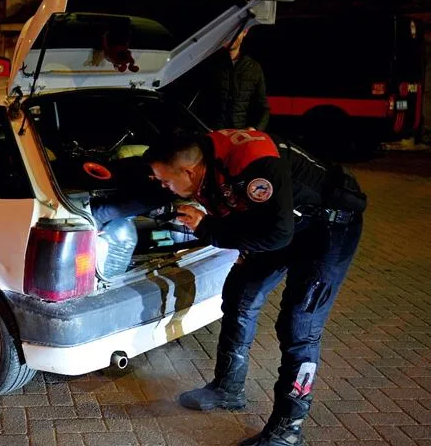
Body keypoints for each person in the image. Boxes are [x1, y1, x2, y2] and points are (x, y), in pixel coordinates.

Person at [143, 129, 366, 446]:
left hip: (329, 228)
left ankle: (288, 431)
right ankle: (228, 388)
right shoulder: (210, 161)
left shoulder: (253, 166)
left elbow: (276, 234)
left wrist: (207, 228)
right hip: (287, 222)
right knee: (240, 294)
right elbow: (254, 219)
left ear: (189, 171)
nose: (165, 188)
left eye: (166, 181)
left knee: (298, 325)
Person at [193, 29, 269, 131]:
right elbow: (194, 102)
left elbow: (263, 107)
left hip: (240, 138)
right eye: (229, 31)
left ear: (245, 32)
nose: (232, 36)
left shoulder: (254, 68)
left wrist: (255, 129)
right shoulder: (208, 64)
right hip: (212, 137)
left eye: (237, 31)